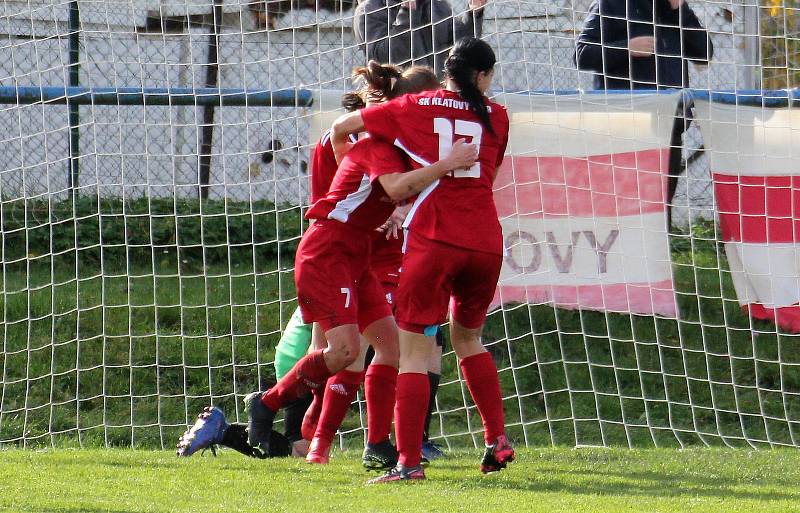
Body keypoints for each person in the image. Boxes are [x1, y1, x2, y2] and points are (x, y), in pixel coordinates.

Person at [245, 63, 479, 467]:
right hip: (328, 254)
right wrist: (447, 163)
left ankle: (375, 444)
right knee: (342, 351)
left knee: (388, 347)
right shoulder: (378, 146)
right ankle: (268, 405)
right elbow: (394, 186)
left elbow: (386, 182)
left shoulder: (391, 147)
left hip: (357, 258)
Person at [331, 37, 514, 483]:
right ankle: (497, 439)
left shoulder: (415, 105)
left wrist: (358, 176)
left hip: (435, 236)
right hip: (486, 239)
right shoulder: (499, 116)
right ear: (484, 76)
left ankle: (408, 463)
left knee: (413, 351)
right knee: (470, 339)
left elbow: (343, 129)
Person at [574, 0, 713, 90]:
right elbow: (581, 55)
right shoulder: (611, 4)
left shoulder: (675, 9)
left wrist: (680, 10)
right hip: (626, 117)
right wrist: (626, 48)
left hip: (670, 118)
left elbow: (704, 54)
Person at [353, 0, 486, 78]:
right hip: (395, 101)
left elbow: (461, 48)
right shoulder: (370, 8)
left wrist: (474, 13)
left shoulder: (437, 6)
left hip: (435, 97)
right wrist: (407, 14)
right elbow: (383, 58)